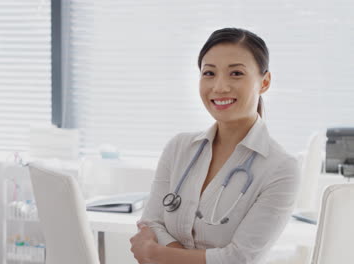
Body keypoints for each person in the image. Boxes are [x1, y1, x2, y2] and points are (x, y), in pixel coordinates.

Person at [129, 28, 301, 264]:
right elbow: (151, 223)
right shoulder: (179, 148)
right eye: (209, 73)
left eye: (236, 73)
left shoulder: (281, 168)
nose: (219, 87)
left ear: (265, 82)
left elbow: (239, 258)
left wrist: (155, 253)